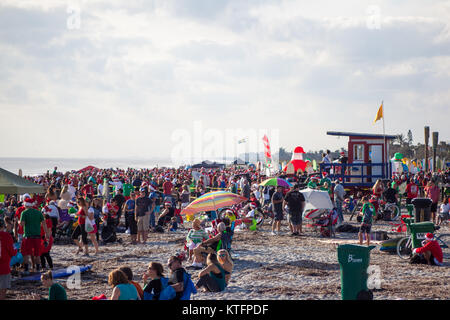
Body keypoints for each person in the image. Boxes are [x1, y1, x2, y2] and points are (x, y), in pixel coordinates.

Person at [20, 197, 50, 274]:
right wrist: (46, 234)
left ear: (26, 205)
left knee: (25, 253)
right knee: (37, 254)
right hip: (37, 236)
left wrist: (18, 222)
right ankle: (37, 269)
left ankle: (26, 269)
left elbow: (22, 224)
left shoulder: (24, 213)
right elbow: (44, 223)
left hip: (27, 236)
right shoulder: (38, 212)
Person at [0, 218, 17, 300]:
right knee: (3, 289)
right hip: (4, 266)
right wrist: (16, 251)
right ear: (3, 226)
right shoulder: (7, 236)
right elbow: (11, 251)